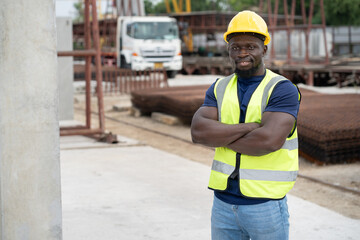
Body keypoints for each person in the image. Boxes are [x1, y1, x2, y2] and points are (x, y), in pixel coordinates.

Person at [191, 10, 301, 240]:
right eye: (235, 47)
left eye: (250, 46)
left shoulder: (282, 89)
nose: (242, 53)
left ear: (264, 49)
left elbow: (268, 141)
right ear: (228, 50)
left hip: (265, 206)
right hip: (223, 203)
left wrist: (220, 136)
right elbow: (199, 132)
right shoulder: (219, 87)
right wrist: (248, 127)